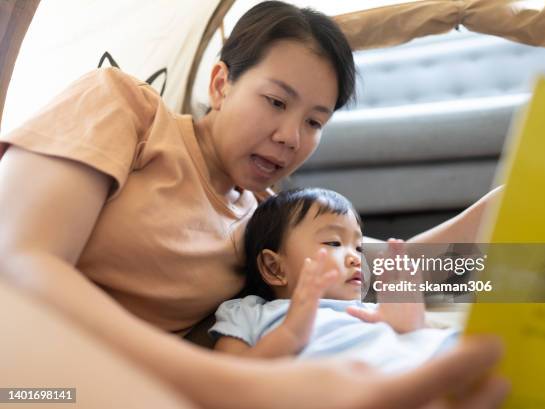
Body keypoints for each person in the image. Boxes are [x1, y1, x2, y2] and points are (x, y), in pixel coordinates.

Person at [0, 1, 508, 408]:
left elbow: (386, 264)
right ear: (221, 84)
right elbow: (19, 260)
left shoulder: (264, 214)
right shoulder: (125, 108)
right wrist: (233, 386)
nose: (290, 137)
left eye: (314, 122)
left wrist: (505, 202)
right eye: (276, 102)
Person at [211, 187, 459, 373]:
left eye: (359, 248)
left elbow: (430, 339)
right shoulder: (249, 312)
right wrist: (290, 333)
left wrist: (412, 326)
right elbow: (228, 380)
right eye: (333, 243)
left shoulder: (373, 309)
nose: (355, 258)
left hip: (419, 370)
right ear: (274, 267)